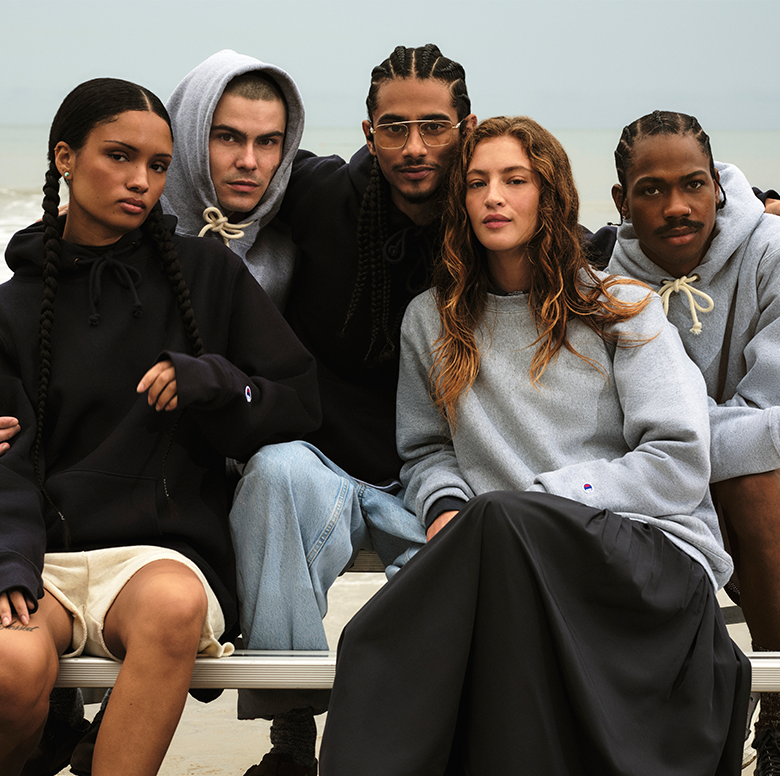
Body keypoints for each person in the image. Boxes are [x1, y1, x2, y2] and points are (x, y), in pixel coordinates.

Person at [318, 115, 750, 775]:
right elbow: (428, 451)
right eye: (477, 182)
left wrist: (542, 501)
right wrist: (444, 510)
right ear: (458, 201)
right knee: (372, 636)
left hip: (645, 560)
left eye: (515, 180)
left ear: (548, 197)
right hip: (515, 566)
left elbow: (678, 462)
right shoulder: (429, 322)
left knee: (500, 521)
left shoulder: (623, 308)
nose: (494, 197)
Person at [0, 77, 319, 776]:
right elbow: (8, 464)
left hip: (160, 560)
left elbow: (297, 401)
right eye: (119, 156)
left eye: (157, 166)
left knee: (172, 607)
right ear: (64, 158)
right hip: (41, 562)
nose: (140, 180)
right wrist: (12, 569)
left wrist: (215, 383)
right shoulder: (13, 307)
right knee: (10, 666)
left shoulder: (207, 275)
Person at [228, 43, 475, 776]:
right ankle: (291, 732)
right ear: (369, 133)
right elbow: (204, 185)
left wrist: (746, 201)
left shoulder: (487, 213)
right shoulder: (317, 193)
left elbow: (587, 245)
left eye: (435, 126)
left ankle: (417, 745)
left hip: (442, 473)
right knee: (270, 475)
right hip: (324, 463)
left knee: (471, 558)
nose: (414, 146)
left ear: (466, 126)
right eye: (394, 128)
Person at [607, 110, 780, 774]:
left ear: (717, 186)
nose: (677, 206)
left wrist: (683, 445)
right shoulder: (602, 281)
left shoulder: (768, 252)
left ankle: (778, 705)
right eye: (651, 190)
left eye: (694, 184)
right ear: (621, 201)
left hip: (757, 483)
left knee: (751, 478)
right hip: (662, 483)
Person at [162, 49, 304, 310]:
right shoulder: (126, 235)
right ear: (189, 137)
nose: (248, 162)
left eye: (267, 141)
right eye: (228, 137)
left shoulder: (292, 249)